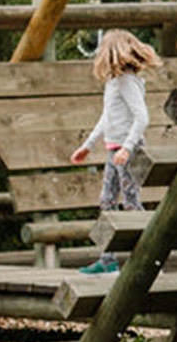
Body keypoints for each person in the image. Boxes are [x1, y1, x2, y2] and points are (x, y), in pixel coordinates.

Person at [68, 29, 164, 272]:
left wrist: (128, 148)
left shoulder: (126, 82)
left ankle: (150, 259)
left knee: (131, 202)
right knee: (107, 201)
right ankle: (108, 260)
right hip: (114, 151)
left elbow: (142, 118)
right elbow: (107, 117)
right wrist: (87, 146)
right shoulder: (113, 82)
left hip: (127, 151)